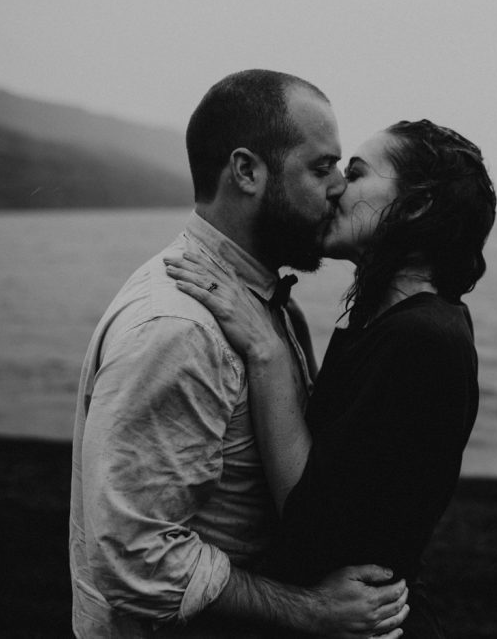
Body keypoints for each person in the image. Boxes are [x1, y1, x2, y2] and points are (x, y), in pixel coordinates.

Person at [69, 70, 409, 638]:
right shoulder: (180, 329)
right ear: (247, 171)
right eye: (321, 167)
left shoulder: (261, 305)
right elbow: (132, 555)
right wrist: (312, 611)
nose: (338, 189)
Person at [165, 119, 497, 638]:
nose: (337, 186)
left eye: (358, 173)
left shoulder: (423, 339)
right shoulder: (401, 324)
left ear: (414, 206)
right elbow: (344, 459)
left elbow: (309, 520)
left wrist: (267, 351)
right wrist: (285, 323)